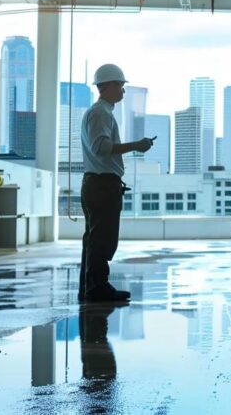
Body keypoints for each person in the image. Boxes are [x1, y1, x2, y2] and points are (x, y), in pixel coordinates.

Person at [79, 63, 154, 302]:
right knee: (102, 239)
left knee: (94, 238)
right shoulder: (100, 113)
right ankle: (97, 288)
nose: (123, 89)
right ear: (108, 86)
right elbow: (101, 147)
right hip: (102, 185)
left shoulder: (100, 113)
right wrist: (136, 146)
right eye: (120, 85)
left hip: (97, 184)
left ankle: (90, 287)